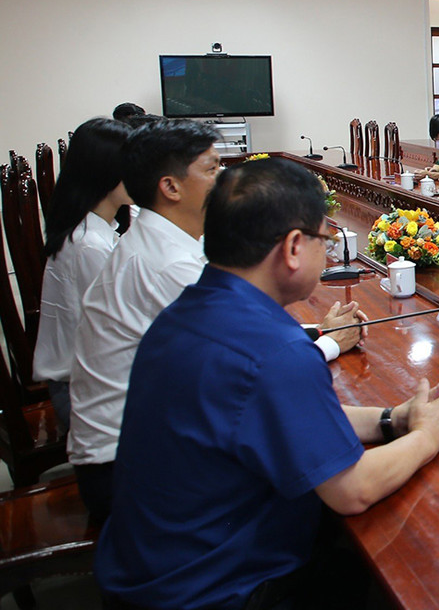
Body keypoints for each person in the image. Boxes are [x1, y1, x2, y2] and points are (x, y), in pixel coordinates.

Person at [96, 158, 439, 610]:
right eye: (327, 236)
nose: (329, 248)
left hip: (150, 601)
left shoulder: (194, 310)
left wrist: (393, 419)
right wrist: (430, 435)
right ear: (294, 247)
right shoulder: (270, 347)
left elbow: (286, 419)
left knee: (352, 581)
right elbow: (353, 490)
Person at [67, 120, 359, 522]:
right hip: (122, 464)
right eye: (212, 169)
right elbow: (247, 367)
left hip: (138, 441)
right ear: (170, 187)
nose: (224, 180)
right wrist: (328, 343)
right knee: (318, 485)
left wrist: (314, 335)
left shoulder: (165, 240)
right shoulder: (166, 264)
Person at [32, 118, 132, 430]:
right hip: (81, 392)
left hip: (89, 378)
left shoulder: (95, 230)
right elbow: (121, 330)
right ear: (107, 173)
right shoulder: (89, 245)